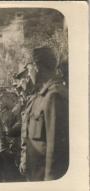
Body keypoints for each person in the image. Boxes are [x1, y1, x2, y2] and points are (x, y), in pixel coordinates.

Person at [20, 46, 69, 181]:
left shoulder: (54, 96)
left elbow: (57, 152)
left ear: (36, 67)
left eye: (28, 70)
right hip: (35, 175)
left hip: (45, 181)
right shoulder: (40, 96)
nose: (28, 75)